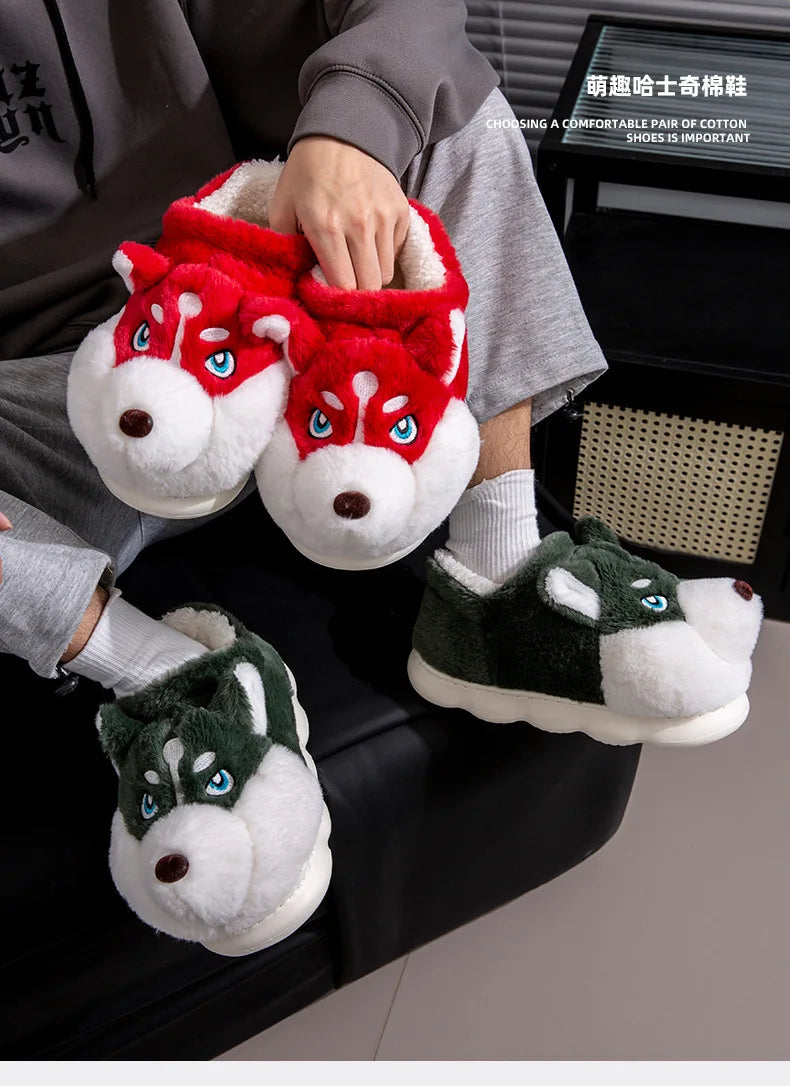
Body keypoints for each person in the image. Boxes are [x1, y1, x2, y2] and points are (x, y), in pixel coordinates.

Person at [0, 1, 761, 951]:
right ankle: (174, 674)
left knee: (444, 114)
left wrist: (350, 131)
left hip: (249, 299)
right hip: (38, 401)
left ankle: (496, 578)